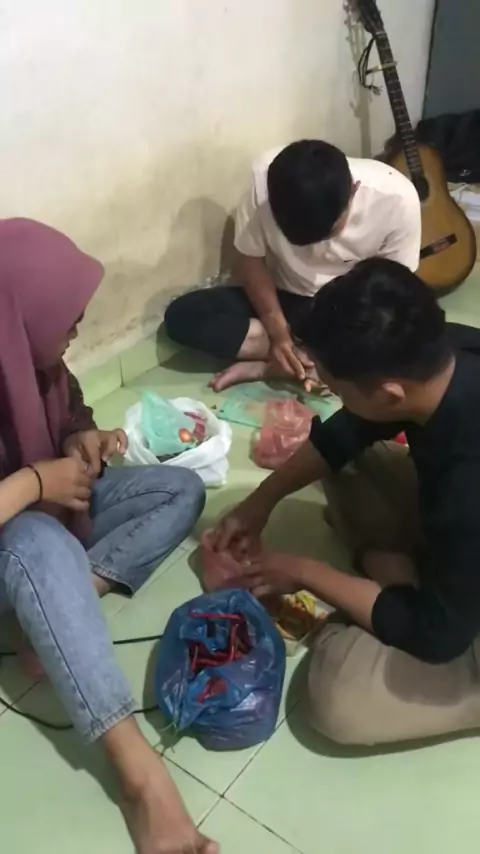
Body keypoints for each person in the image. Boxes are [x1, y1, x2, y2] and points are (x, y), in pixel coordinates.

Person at [0, 219, 218, 854]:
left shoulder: (32, 357)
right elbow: (31, 498)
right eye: (67, 322)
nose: (74, 332)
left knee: (180, 490)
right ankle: (140, 777)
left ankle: (55, 608)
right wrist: (37, 481)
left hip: (46, 512)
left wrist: (82, 439)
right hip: (19, 535)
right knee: (38, 541)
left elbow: (70, 412)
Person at [210, 257, 480, 747]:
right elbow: (348, 431)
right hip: (457, 540)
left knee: (338, 701)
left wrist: (306, 572)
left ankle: (398, 594)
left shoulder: (467, 482)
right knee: (350, 460)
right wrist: (260, 501)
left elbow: (438, 636)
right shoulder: (446, 351)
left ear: (389, 393)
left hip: (456, 619)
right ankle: (398, 584)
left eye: (336, 389)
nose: (330, 395)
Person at [164, 139, 421, 392]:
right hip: (284, 300)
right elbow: (250, 259)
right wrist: (279, 334)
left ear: (353, 191)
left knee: (404, 342)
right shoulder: (266, 181)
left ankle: (277, 366)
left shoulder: (397, 200)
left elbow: (391, 297)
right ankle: (309, 359)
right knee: (183, 316)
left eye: (329, 232)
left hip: (343, 309)